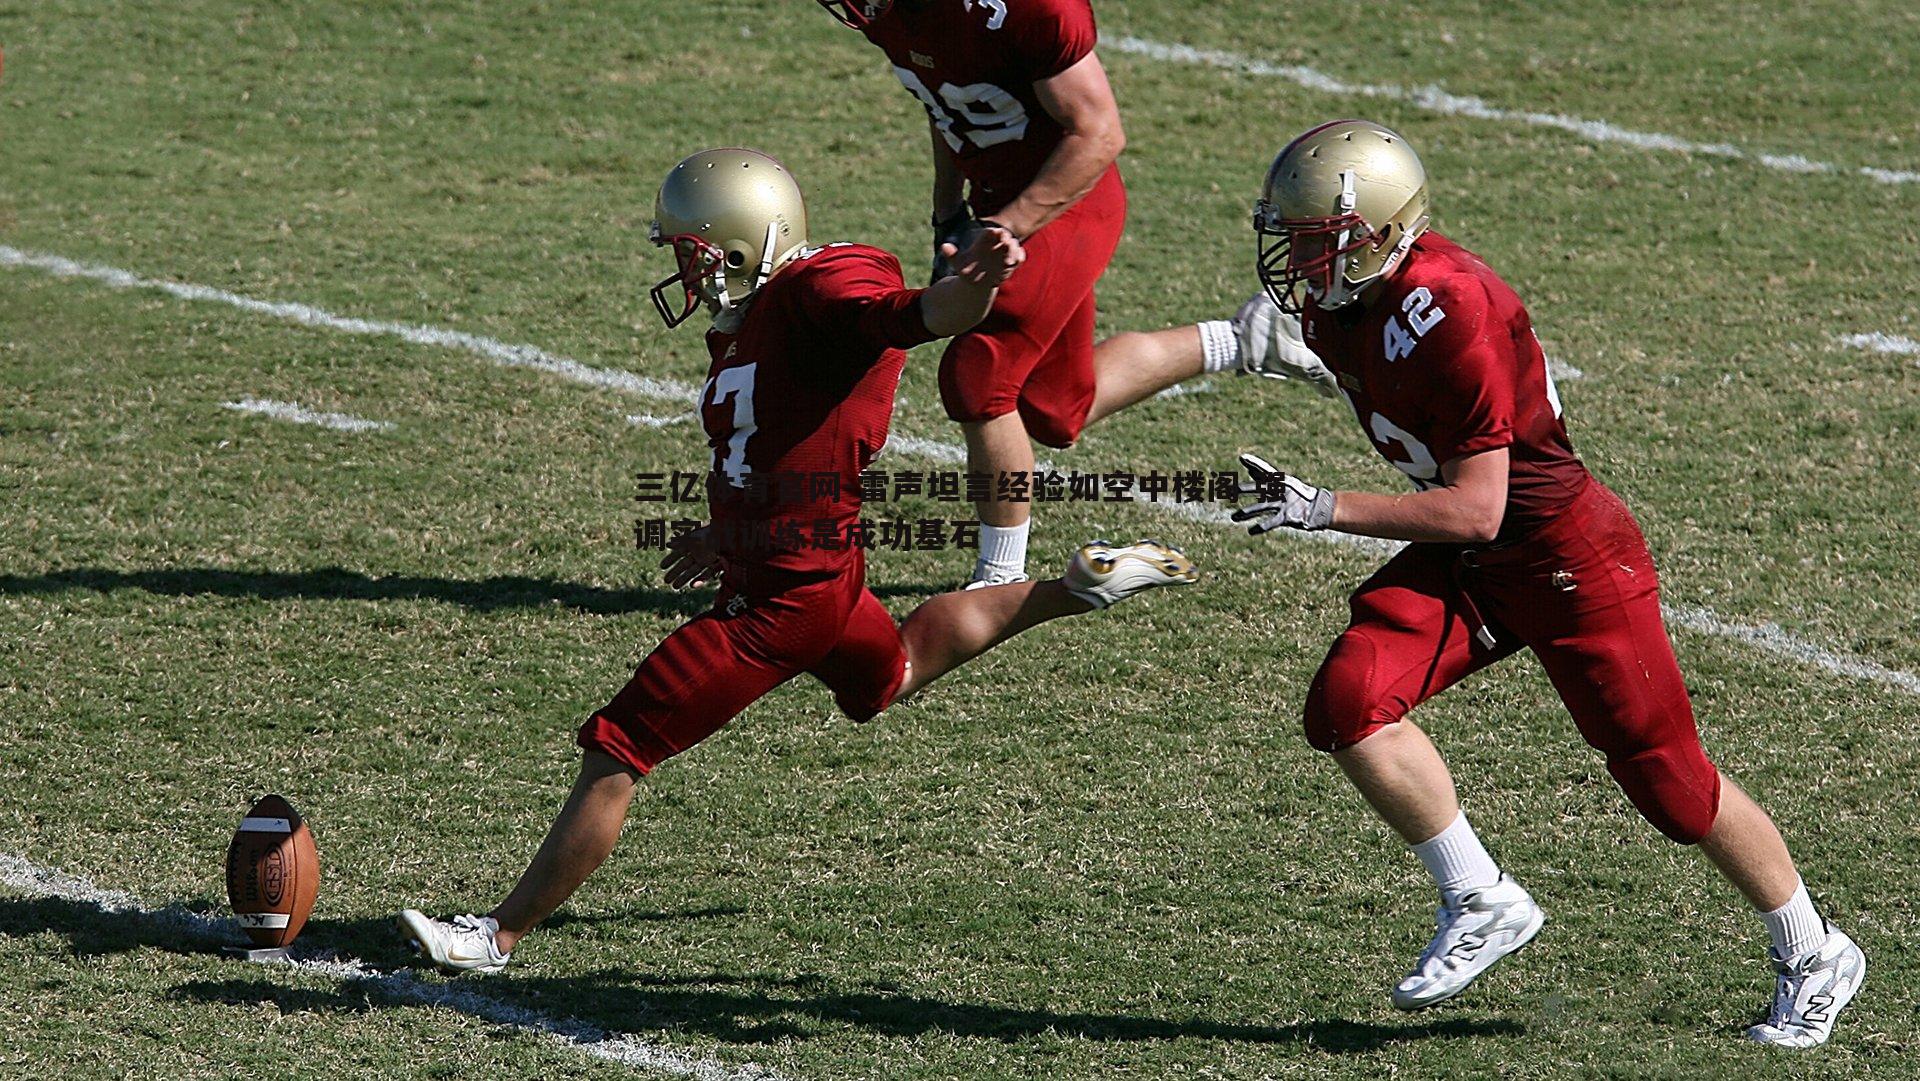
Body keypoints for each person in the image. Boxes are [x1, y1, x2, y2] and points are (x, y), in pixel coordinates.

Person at [397, 148, 1197, 972]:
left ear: (747, 243)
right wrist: (727, 530)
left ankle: (494, 934)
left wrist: (974, 287)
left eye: (694, 251)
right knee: (891, 675)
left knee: (620, 745)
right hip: (821, 572)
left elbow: (916, 314)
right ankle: (1077, 587)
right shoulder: (763, 315)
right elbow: (777, 440)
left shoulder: (821, 290)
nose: (684, 268)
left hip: (777, 605)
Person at [1231, 120, 1863, 1048]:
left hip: (1561, 552)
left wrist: (1324, 507)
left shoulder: (1454, 308)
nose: (1298, 258)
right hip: (1483, 560)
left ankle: (1814, 949)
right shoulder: (1340, 299)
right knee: (1350, 698)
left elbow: (1478, 508)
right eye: (1291, 235)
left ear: (1379, 232)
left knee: (1669, 783)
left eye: (1317, 238)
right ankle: (1480, 896)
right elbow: (1267, 346)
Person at [817, 0, 1328, 588]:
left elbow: (1100, 132)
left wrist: (1008, 224)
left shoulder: (1025, 9)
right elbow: (948, 106)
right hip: (997, 204)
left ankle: (999, 577)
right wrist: (948, 210)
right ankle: (1249, 339)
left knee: (977, 377)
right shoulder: (893, 14)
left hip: (1068, 204)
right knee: (1058, 409)